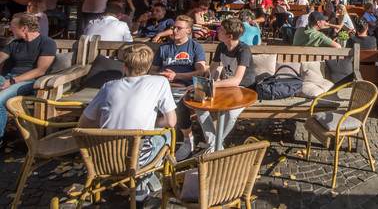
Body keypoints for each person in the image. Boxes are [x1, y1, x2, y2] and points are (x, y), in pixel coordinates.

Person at [78, 43, 177, 202]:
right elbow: (171, 122)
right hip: (136, 160)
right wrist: (153, 123)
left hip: (103, 157)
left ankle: (134, 182)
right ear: (149, 65)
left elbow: (83, 124)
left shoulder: (108, 86)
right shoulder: (160, 82)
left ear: (124, 66)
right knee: (168, 134)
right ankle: (142, 182)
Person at [150, 15, 207, 160]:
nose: (174, 30)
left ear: (188, 30)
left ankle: (188, 140)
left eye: (179, 28)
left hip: (185, 87)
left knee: (179, 105)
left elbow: (201, 72)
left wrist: (177, 76)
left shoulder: (195, 47)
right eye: (173, 27)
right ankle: (156, 141)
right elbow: (152, 70)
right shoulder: (164, 48)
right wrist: (162, 75)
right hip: (163, 86)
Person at [0, 13, 56, 143]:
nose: (10, 29)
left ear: (24, 28)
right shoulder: (15, 43)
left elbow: (40, 70)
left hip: (29, 82)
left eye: (13, 26)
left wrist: (13, 81)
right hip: (8, 78)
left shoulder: (47, 43)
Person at [201, 18, 254, 150]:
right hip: (227, 86)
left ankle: (215, 145)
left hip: (244, 88)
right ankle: (214, 142)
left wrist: (213, 85)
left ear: (229, 36)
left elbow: (237, 80)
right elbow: (213, 67)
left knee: (231, 114)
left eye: (221, 30)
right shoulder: (221, 46)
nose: (218, 31)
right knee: (199, 106)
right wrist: (205, 79)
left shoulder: (243, 50)